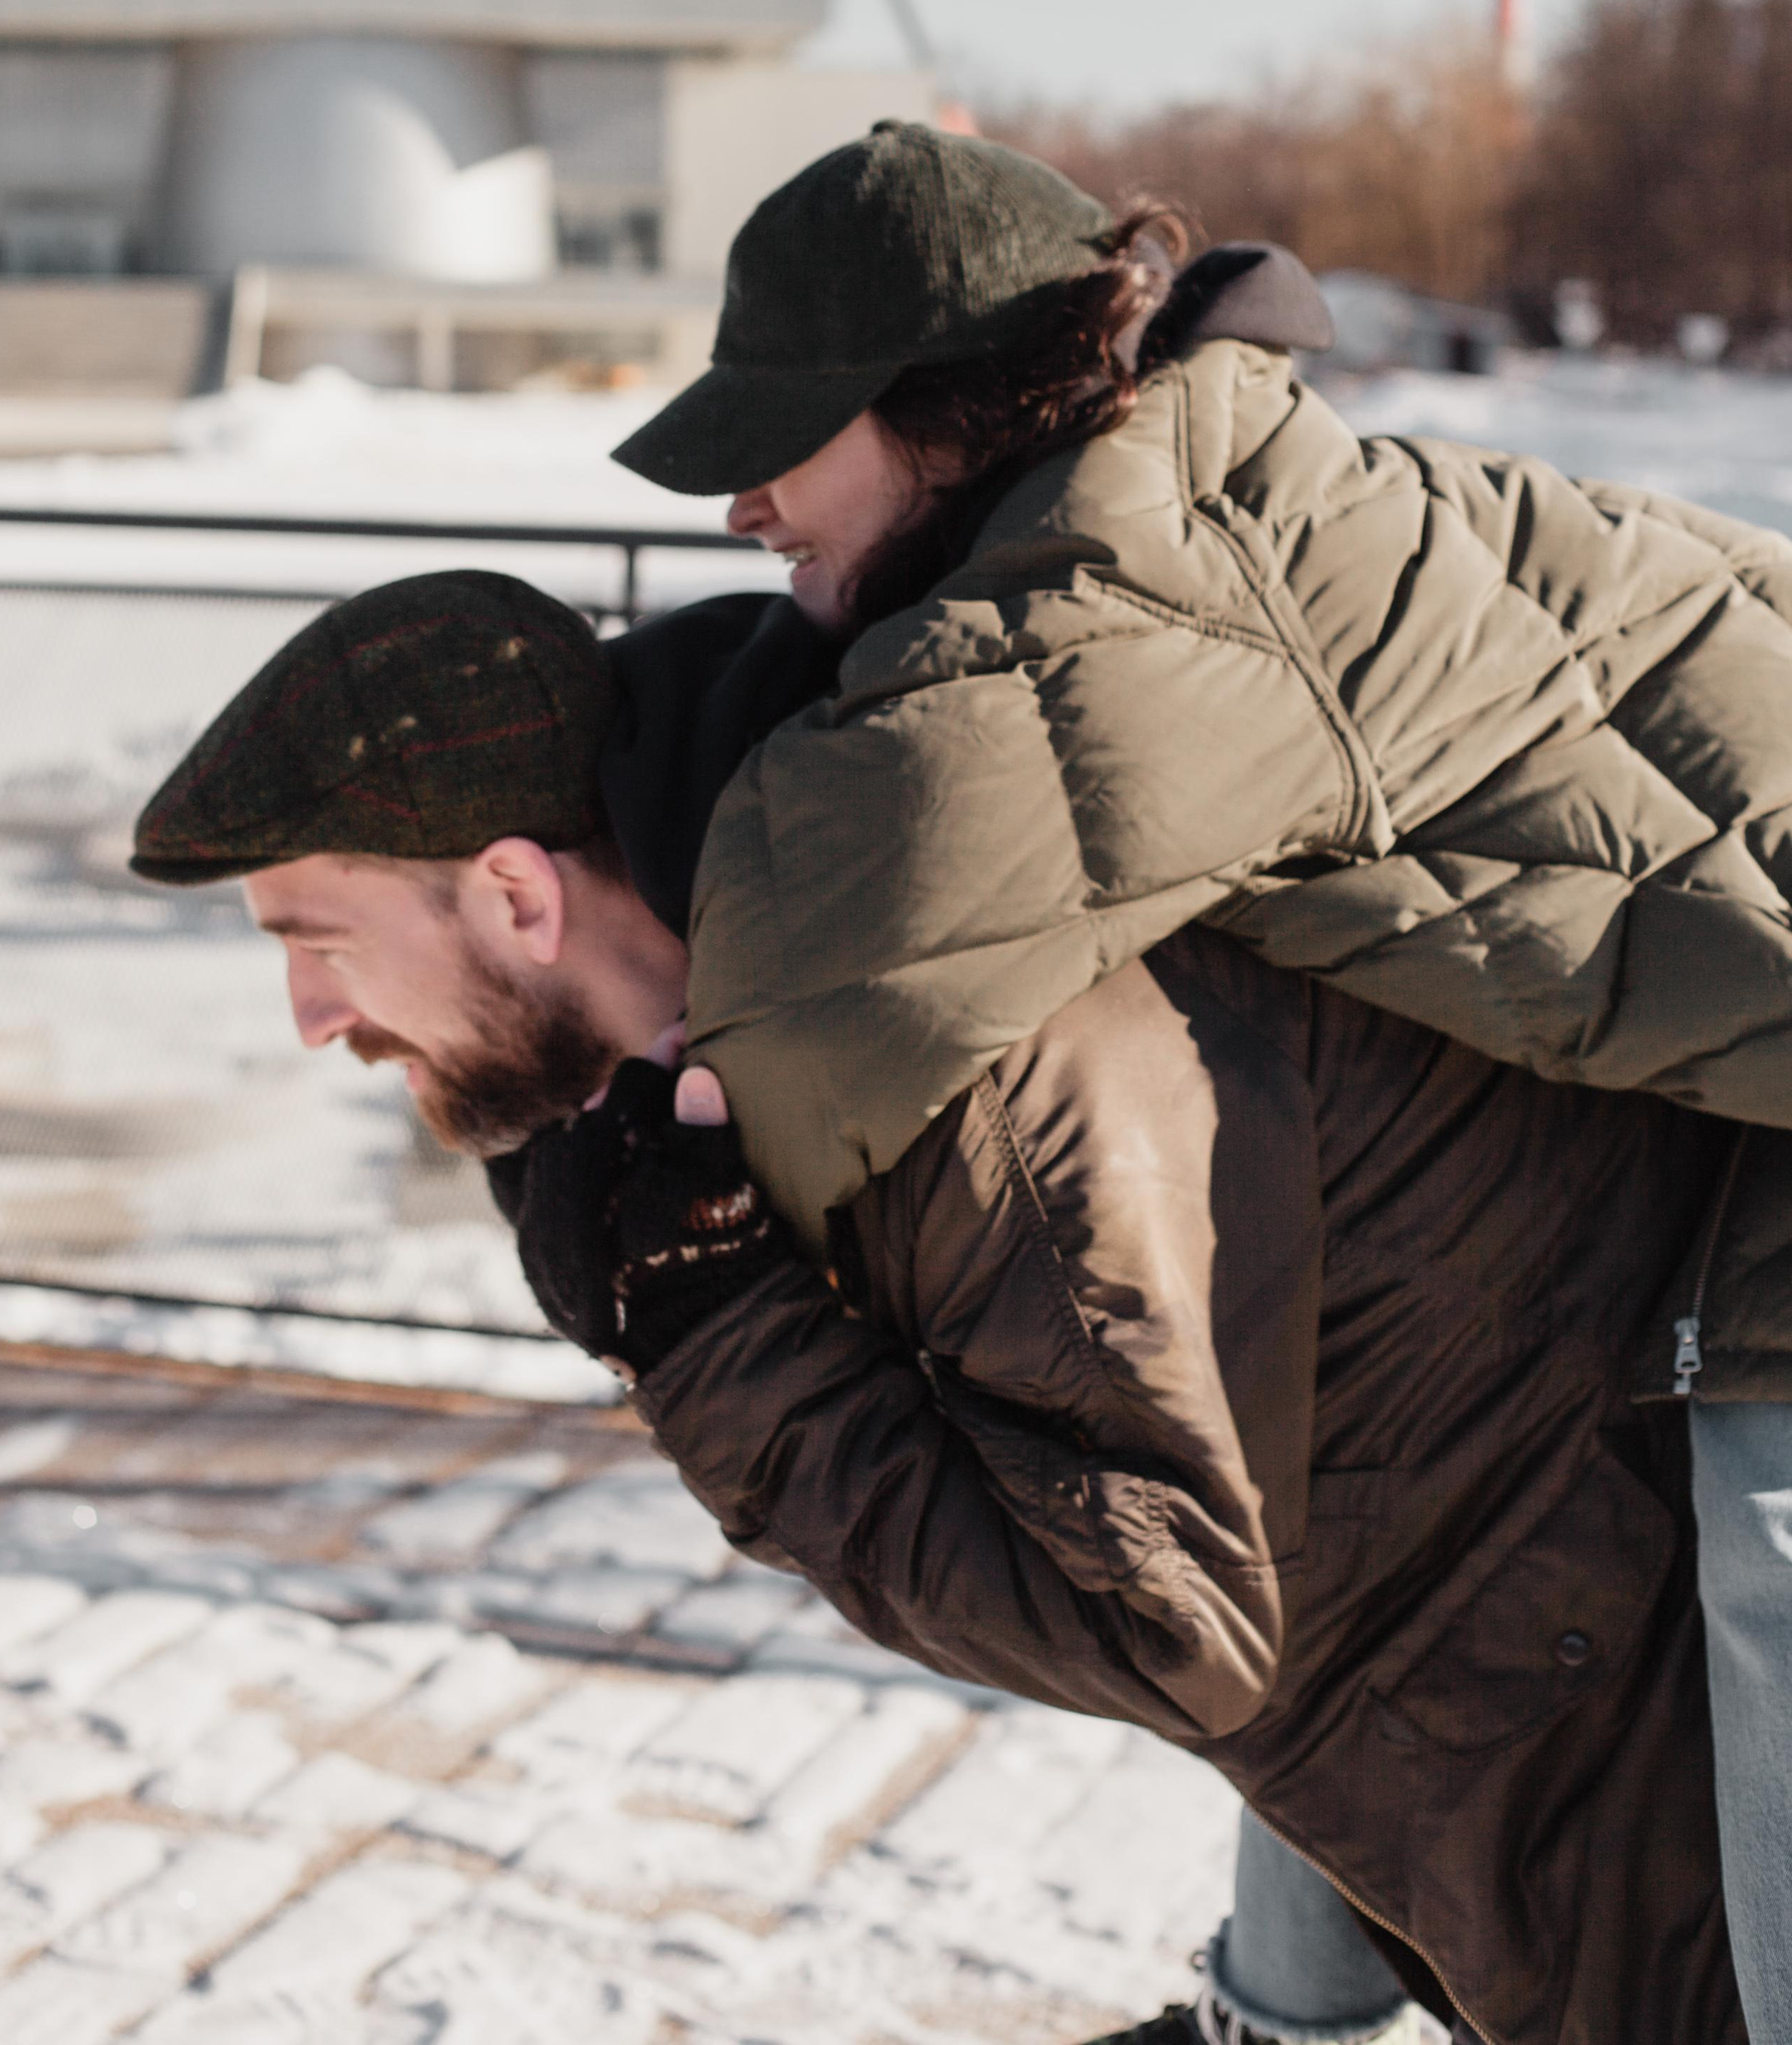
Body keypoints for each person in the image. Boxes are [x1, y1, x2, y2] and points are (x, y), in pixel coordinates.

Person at [133, 565, 1751, 2045]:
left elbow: (1164, 1622)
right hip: (1491, 1661)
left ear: (514, 897)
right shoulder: (756, 994)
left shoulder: (951, 1048)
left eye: (317, 941)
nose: (307, 1015)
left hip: (1657, 1717)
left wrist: (715, 1344)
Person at [607, 119, 1792, 2044]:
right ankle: (1277, 2013)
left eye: (781, 441)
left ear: (949, 407)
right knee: (1342, 1445)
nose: (742, 507)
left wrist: (619, 1201)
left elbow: (836, 971)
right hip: (1715, 1100)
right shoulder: (1205, 496)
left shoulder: (1138, 592)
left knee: (1762, 1543)